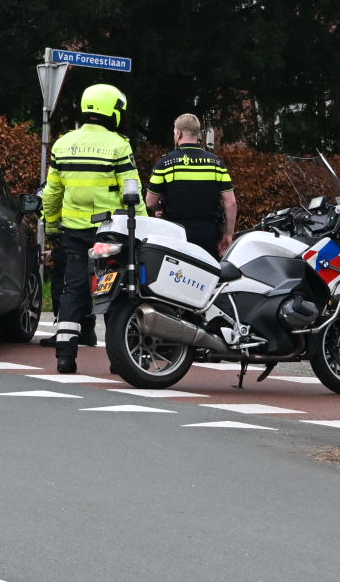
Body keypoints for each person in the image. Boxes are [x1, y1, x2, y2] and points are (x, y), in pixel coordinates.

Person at [40, 83, 145, 374]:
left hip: (74, 232)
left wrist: (51, 226)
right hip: (110, 232)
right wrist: (145, 228)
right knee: (114, 291)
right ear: (110, 109)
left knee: (73, 290)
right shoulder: (118, 145)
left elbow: (51, 194)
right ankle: (118, 359)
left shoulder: (63, 144)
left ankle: (65, 356)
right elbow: (131, 191)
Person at [145, 113, 236, 258]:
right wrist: (228, 234)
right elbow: (230, 203)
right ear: (197, 134)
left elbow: (150, 202)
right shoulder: (216, 164)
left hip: (175, 233)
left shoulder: (165, 164)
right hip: (208, 234)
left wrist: (158, 210)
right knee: (209, 276)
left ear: (178, 133)